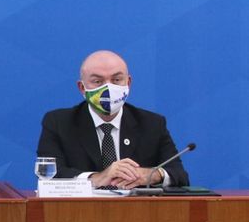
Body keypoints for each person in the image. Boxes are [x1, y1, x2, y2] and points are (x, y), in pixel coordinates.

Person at [36, 50, 189, 189]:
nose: (108, 88)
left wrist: (151, 175)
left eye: (116, 80)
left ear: (128, 83)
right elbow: (49, 176)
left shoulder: (152, 124)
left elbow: (179, 175)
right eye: (97, 81)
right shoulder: (58, 123)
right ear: (82, 88)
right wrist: (98, 178)